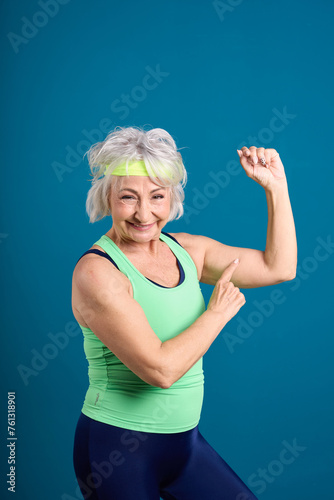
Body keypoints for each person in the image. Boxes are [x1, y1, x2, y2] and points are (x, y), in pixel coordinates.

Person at [71, 125, 297, 500]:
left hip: (185, 445)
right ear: (107, 197)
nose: (145, 213)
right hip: (115, 450)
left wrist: (276, 188)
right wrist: (217, 314)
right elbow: (161, 371)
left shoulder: (187, 251)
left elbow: (280, 267)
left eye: (157, 196)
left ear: (172, 197)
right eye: (129, 197)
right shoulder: (98, 272)